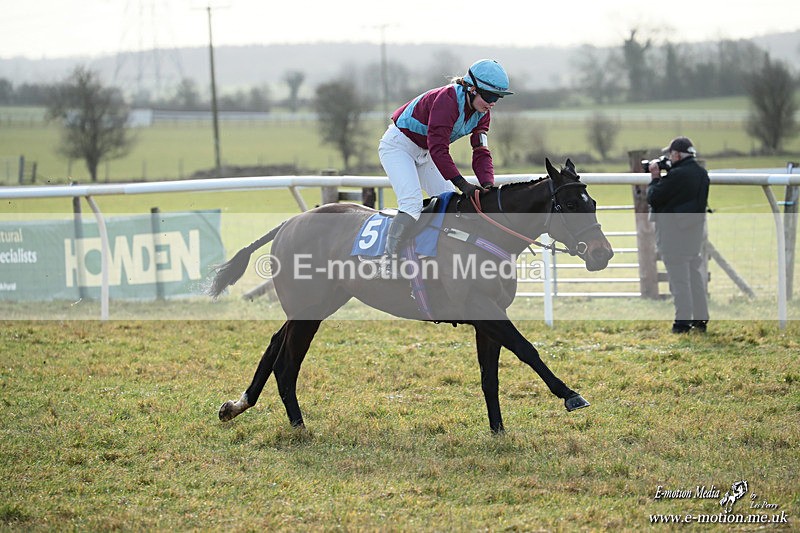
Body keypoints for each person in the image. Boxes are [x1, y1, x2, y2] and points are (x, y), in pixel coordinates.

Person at [378, 59, 513, 256]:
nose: (492, 103)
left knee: (449, 204)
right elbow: (439, 149)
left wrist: (488, 185)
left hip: (425, 151)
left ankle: (435, 255)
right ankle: (388, 259)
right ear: (472, 89)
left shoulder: (483, 114)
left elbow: (480, 151)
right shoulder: (447, 101)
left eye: (497, 98)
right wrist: (462, 183)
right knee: (412, 204)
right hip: (398, 146)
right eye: (489, 96)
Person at [646, 136, 710, 333]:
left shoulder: (677, 175)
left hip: (673, 237)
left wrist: (655, 178)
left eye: (671, 155)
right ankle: (700, 320)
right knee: (695, 279)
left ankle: (682, 324)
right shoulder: (701, 174)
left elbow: (654, 197)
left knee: (679, 283)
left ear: (677, 155)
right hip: (693, 235)